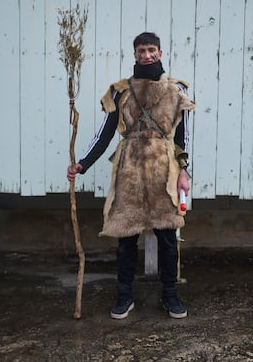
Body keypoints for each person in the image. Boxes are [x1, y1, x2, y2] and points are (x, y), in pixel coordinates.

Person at [67, 32, 194, 319]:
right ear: (134, 54)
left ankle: (170, 295)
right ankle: (124, 295)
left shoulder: (177, 90)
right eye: (141, 50)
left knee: (167, 236)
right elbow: (104, 134)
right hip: (129, 170)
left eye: (151, 50)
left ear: (160, 53)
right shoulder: (120, 91)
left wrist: (184, 172)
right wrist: (82, 164)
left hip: (164, 169)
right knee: (125, 236)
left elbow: (183, 138)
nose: (146, 55)